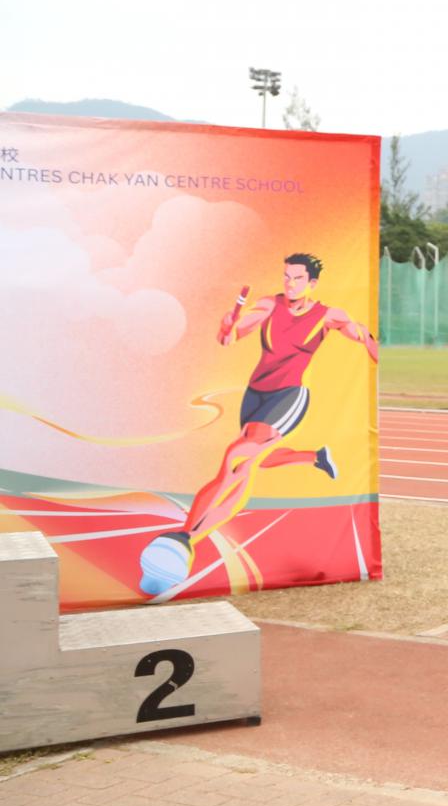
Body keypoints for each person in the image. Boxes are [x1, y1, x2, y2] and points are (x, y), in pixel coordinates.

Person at [138, 253, 379, 597]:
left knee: (237, 458)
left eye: (297, 278)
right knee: (253, 463)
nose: (290, 284)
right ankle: (315, 457)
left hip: (290, 396)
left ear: (312, 283)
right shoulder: (269, 305)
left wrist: (375, 350)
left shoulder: (329, 315)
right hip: (255, 395)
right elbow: (232, 336)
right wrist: (227, 328)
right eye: (286, 277)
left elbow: (362, 336)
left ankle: (184, 538)